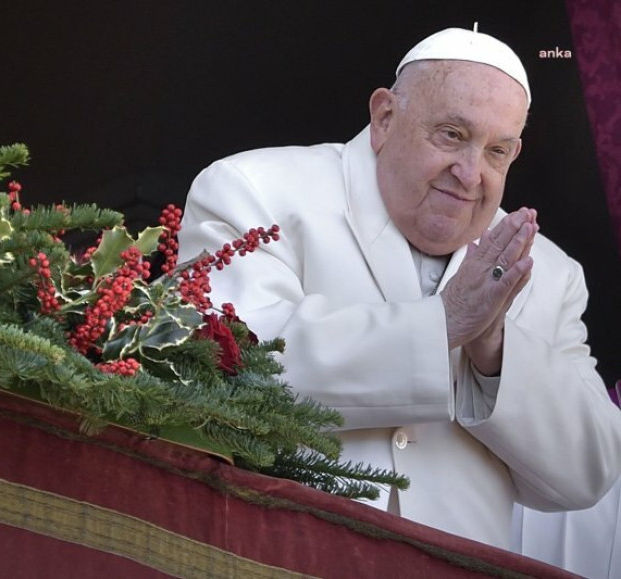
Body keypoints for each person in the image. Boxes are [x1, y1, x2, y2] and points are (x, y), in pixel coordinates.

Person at [177, 26, 621, 550]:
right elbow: (232, 369)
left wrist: (494, 351)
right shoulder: (256, 190)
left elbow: (587, 472)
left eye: (497, 151)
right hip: (275, 553)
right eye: (452, 135)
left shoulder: (547, 271)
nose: (470, 173)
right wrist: (444, 325)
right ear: (385, 118)